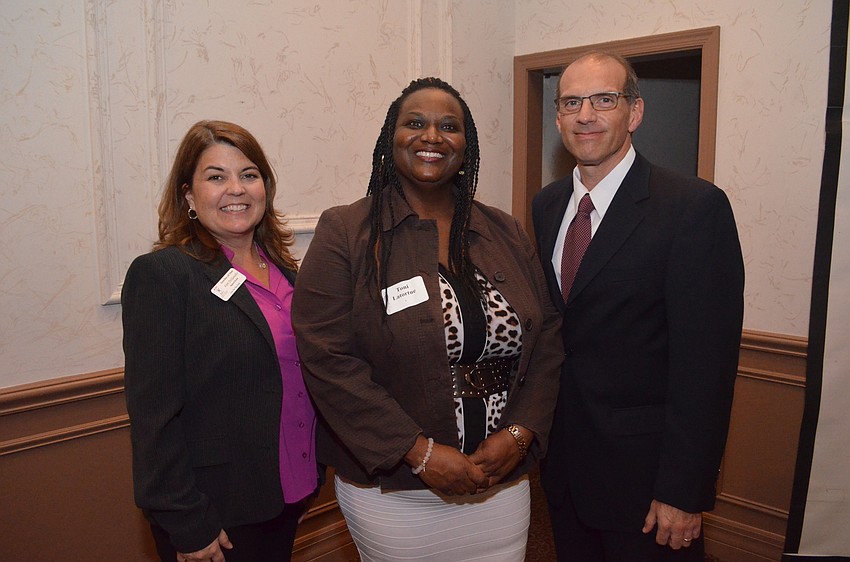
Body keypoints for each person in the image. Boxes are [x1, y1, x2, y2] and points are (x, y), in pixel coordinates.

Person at [291, 77, 563, 561]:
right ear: (389, 136)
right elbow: (326, 358)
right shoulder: (346, 232)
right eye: (414, 122)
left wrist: (520, 435)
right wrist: (417, 452)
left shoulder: (504, 229)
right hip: (395, 489)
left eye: (449, 126)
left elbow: (548, 339)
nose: (431, 137)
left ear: (467, 144)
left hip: (500, 477)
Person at [532, 52, 745, 561]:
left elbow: (706, 367)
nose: (586, 115)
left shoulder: (692, 207)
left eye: (604, 100)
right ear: (558, 116)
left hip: (648, 485)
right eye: (571, 102)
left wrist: (682, 490)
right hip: (564, 473)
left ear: (635, 112)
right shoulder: (546, 205)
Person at [122, 120, 318, 562]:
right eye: (216, 177)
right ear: (189, 195)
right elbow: (153, 416)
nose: (236, 189)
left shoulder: (288, 274)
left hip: (287, 492)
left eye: (249, 175)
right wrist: (187, 522)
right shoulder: (165, 275)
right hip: (215, 514)